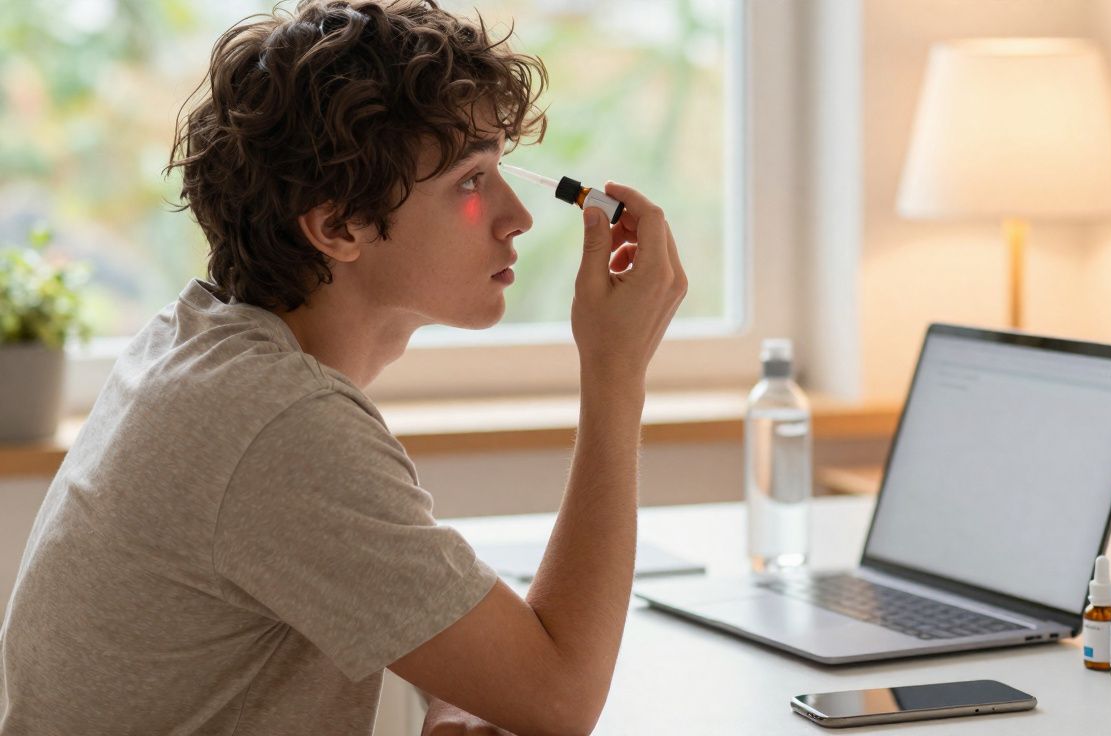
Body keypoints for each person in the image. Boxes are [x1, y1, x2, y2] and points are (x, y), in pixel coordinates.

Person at [0, 1, 686, 734]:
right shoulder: (278, 424)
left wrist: (462, 684)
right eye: (469, 181)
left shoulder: (196, 343)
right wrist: (616, 375)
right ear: (337, 226)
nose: (515, 215)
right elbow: (562, 700)